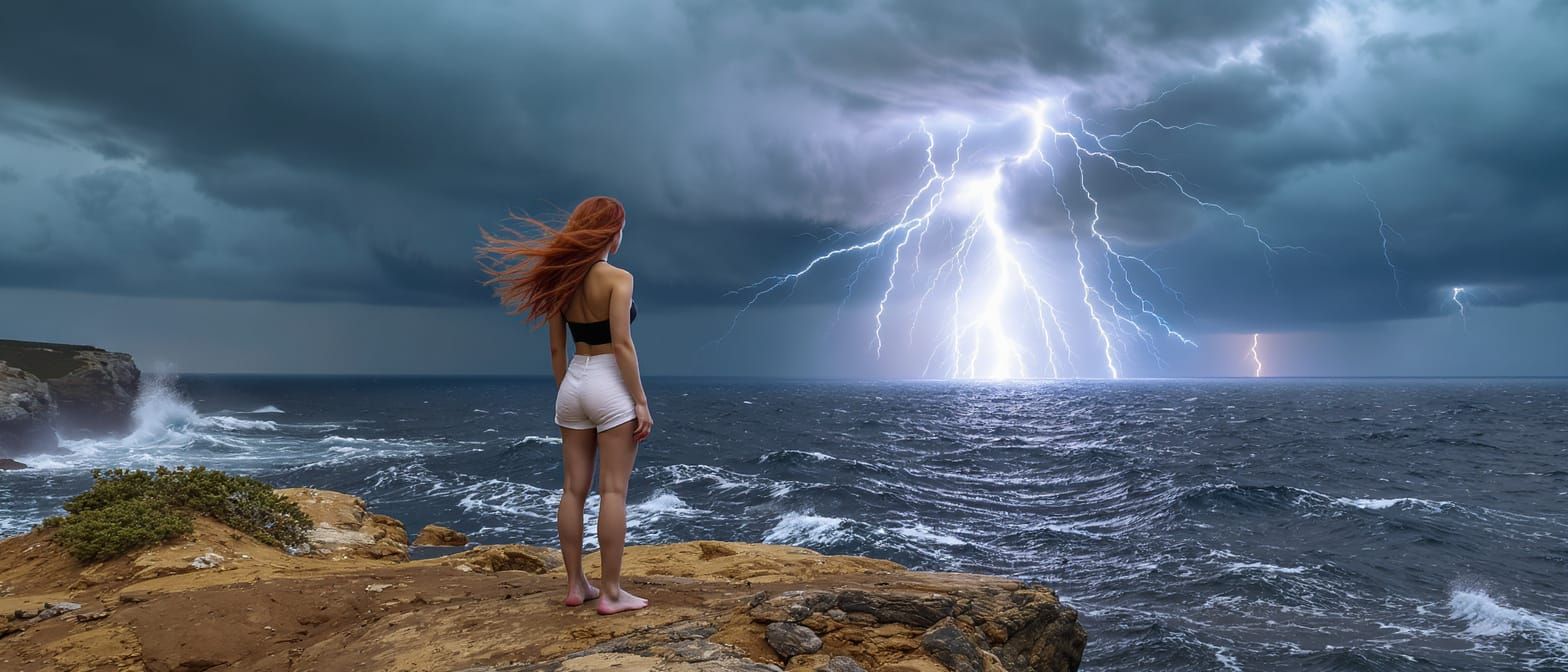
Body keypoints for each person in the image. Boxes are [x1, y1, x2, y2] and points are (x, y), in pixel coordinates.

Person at [475, 195, 654, 615]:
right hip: (610, 383)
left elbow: (557, 349)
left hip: (573, 381)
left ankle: (576, 585)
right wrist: (640, 402)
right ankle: (611, 593)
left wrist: (568, 393)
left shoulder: (558, 278)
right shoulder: (619, 278)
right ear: (613, 232)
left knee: (573, 490)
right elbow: (623, 344)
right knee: (613, 489)